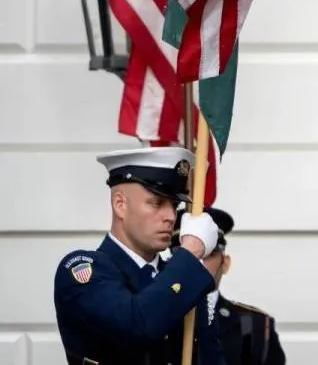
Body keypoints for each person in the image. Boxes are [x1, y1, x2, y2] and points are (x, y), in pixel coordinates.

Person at [53, 146, 226, 365]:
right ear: (120, 204)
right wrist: (191, 250)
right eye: (156, 203)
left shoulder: (182, 276)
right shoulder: (83, 270)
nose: (171, 216)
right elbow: (135, 326)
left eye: (174, 205)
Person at [190, 207, 286, 365]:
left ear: (225, 263)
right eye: (188, 255)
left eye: (209, 254)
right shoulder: (152, 318)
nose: (199, 262)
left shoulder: (254, 326)